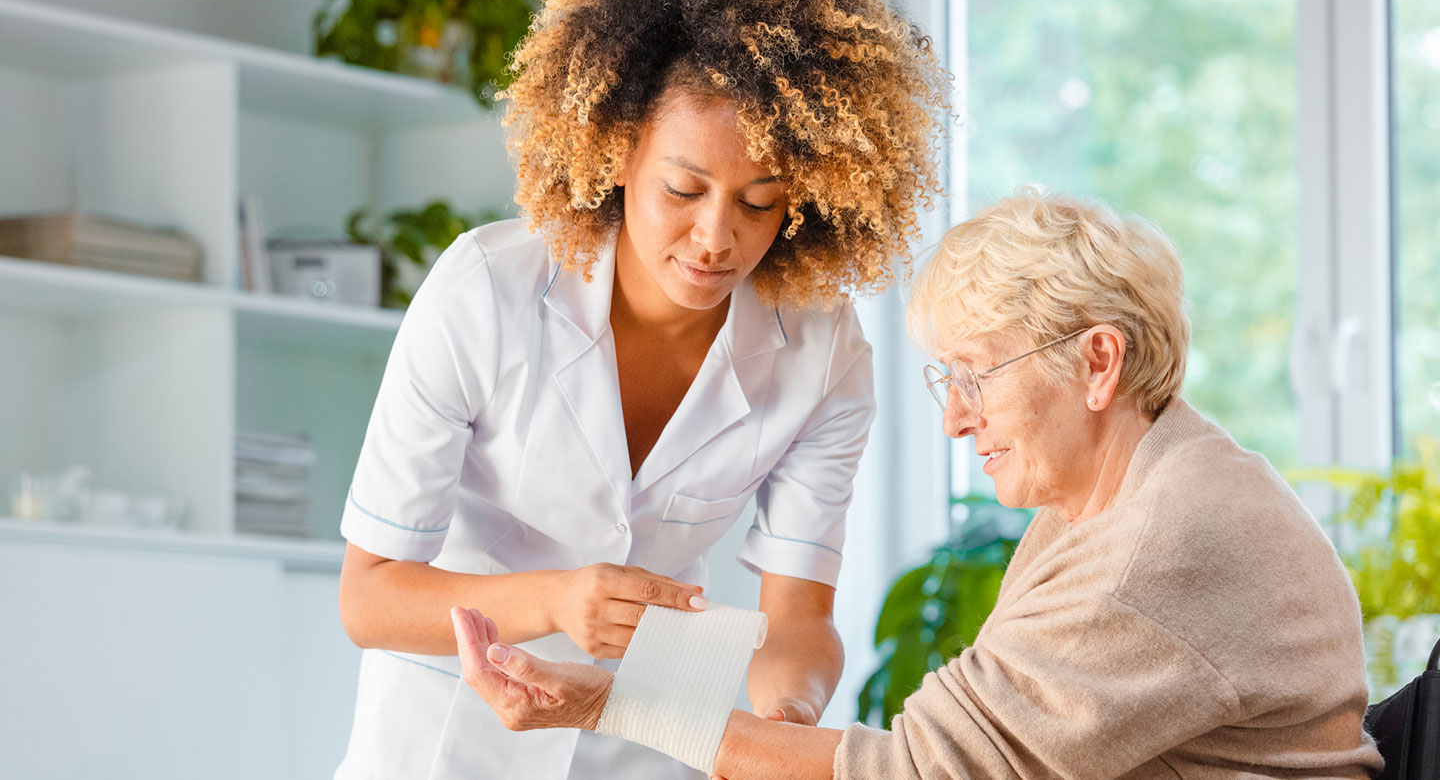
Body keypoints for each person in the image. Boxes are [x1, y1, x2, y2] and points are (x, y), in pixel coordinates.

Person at [450, 189, 1386, 780]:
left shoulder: (1151, 547)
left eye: (976, 375)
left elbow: (909, 774)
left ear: (1098, 362)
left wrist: (603, 698)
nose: (955, 418)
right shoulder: (1129, 494)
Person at [332, 0, 948, 778]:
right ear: (618, 151)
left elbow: (799, 617)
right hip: (447, 727)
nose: (715, 238)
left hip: (647, 733)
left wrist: (780, 722)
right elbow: (369, 597)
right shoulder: (486, 289)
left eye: (759, 203)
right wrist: (554, 602)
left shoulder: (823, 352)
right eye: (683, 189)